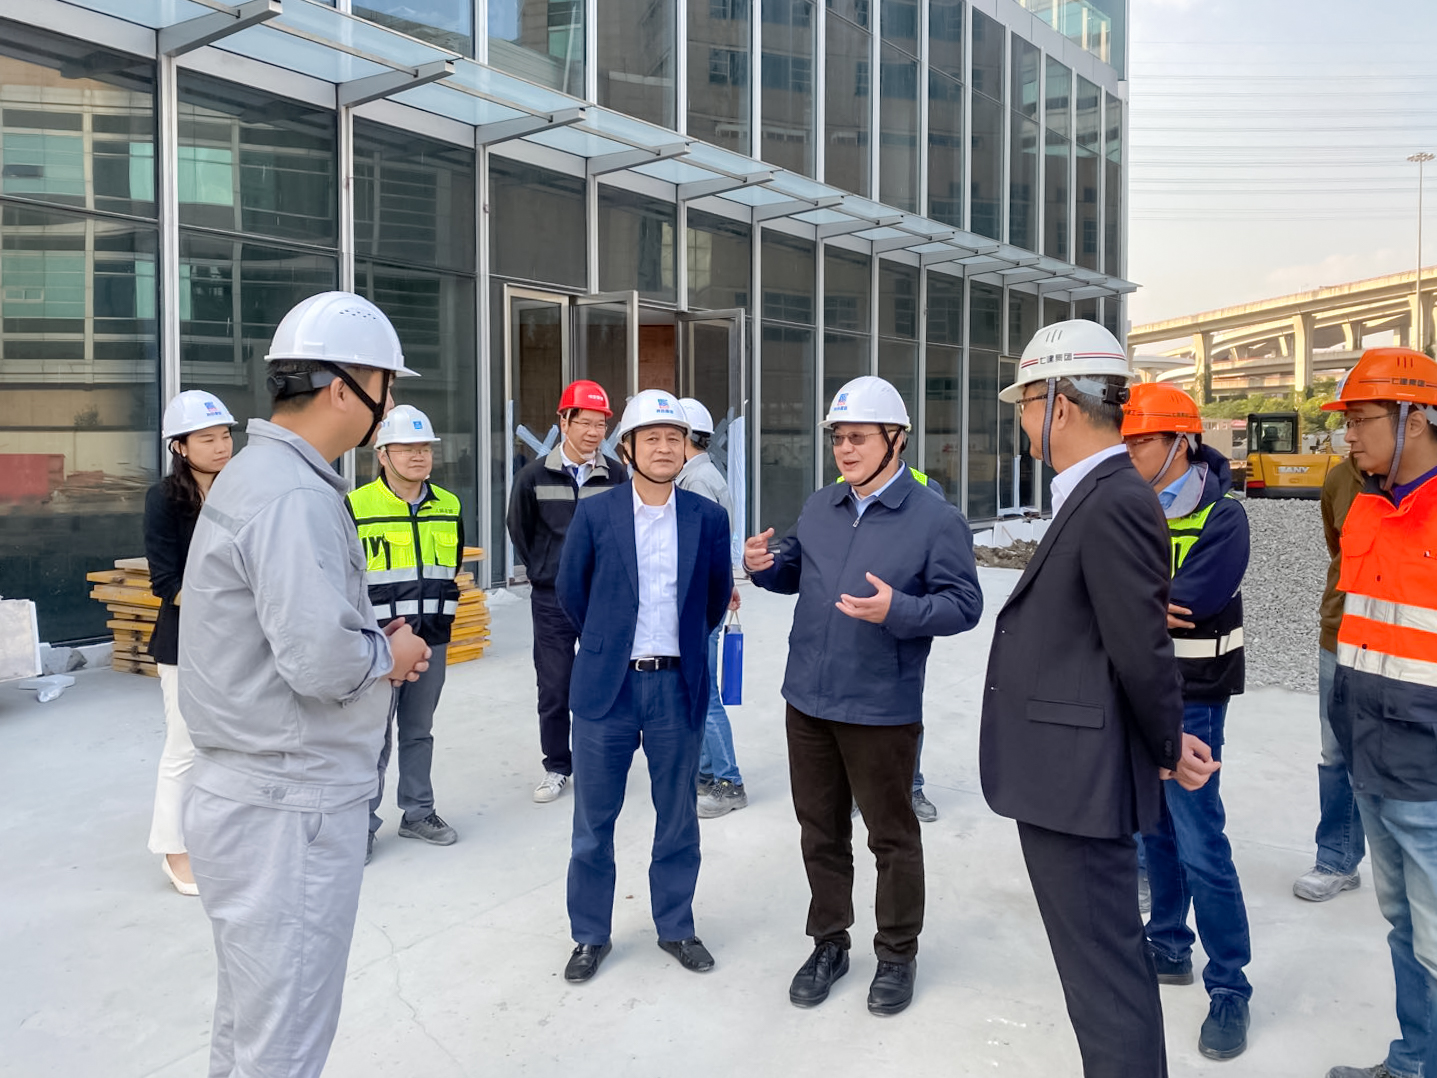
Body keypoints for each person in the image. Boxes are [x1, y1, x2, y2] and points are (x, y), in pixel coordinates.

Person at [179, 291, 431, 1078]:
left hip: (249, 790)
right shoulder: (295, 496)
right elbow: (320, 666)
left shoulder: (255, 475)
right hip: (287, 806)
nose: (388, 406)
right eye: (385, 385)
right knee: (283, 1042)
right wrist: (389, 655)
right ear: (344, 389)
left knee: (250, 1027)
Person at [980, 320, 1219, 1078]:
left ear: (1059, 403)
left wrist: (1164, 745)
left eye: (1025, 403)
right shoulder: (1096, 493)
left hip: (1076, 783)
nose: (1022, 421)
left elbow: (1140, 647)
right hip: (1067, 774)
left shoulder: (1112, 499)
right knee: (1099, 970)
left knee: (1105, 978)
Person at [745, 375, 983, 1017]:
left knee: (891, 837)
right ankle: (829, 943)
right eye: (838, 438)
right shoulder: (822, 505)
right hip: (808, 698)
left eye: (859, 438)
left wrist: (898, 610)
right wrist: (765, 566)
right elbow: (797, 569)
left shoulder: (935, 519)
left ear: (896, 439)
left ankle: (897, 954)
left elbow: (964, 604)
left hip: (880, 705)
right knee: (819, 831)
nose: (845, 450)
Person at [556, 390, 733, 983]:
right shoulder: (596, 514)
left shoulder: (707, 518)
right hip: (607, 690)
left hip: (675, 687)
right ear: (626, 448)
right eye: (651, 437)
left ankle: (676, 926)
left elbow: (712, 600)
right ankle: (589, 935)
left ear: (687, 448)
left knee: (677, 817)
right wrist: (607, 643)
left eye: (673, 438)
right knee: (593, 823)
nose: (664, 447)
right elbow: (572, 593)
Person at [1123, 382, 1253, 1060]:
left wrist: (1130, 601)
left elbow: (1195, 600)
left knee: (1200, 839)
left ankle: (1229, 986)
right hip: (1137, 693)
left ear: (1181, 442)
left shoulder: (1223, 518)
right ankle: (1168, 944)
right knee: (1154, 831)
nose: (1129, 452)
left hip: (1195, 697)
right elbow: (1101, 592)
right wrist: (1140, 602)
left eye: (1141, 440)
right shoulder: (1127, 505)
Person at [1320, 348, 1437, 1078]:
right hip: (1369, 751)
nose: (1349, 436)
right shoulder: (1365, 503)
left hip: (1426, 765)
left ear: (1414, 418)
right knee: (1403, 927)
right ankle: (1413, 1061)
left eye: (1362, 420)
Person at [348, 404, 463, 864]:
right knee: (371, 737)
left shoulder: (449, 505)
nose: (418, 456)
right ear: (382, 454)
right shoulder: (355, 507)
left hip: (431, 640)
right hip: (377, 644)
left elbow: (449, 568)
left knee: (419, 731)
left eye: (424, 448)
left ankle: (418, 812)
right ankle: (360, 824)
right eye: (406, 448)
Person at [507, 380, 626, 804]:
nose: (594, 432)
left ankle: (599, 761)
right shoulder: (533, 475)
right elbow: (520, 529)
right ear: (564, 421)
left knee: (602, 682)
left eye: (601, 424)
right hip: (552, 600)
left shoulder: (616, 475)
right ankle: (557, 765)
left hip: (601, 599)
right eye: (585, 423)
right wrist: (546, 570)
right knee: (555, 686)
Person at [144, 390, 235, 897]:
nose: (221, 447)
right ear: (179, 446)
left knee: (230, 747)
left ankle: (214, 838)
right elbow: (166, 582)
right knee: (183, 748)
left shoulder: (240, 491)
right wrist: (230, 600)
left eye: (225, 436)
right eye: (207, 439)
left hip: (239, 642)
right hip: (186, 643)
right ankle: (174, 850)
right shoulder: (163, 499)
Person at [1293, 450, 1367, 901]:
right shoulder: (1340, 479)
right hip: (1340, 636)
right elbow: (1337, 548)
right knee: (1337, 750)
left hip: (1413, 643)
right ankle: (1338, 857)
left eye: (1360, 421)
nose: (1350, 434)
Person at [675, 397, 746, 819]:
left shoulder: (696, 481)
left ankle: (729, 781)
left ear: (684, 437)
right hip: (706, 598)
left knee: (706, 694)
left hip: (698, 603)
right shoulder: (702, 474)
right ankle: (705, 773)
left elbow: (699, 550)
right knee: (696, 690)